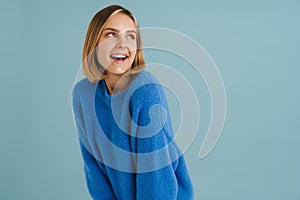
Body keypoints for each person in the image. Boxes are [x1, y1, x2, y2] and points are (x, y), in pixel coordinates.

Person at [72, 4, 194, 200]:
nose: (123, 44)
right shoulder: (82, 94)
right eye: (111, 35)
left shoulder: (145, 90)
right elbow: (93, 170)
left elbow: (156, 174)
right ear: (94, 42)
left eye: (131, 36)